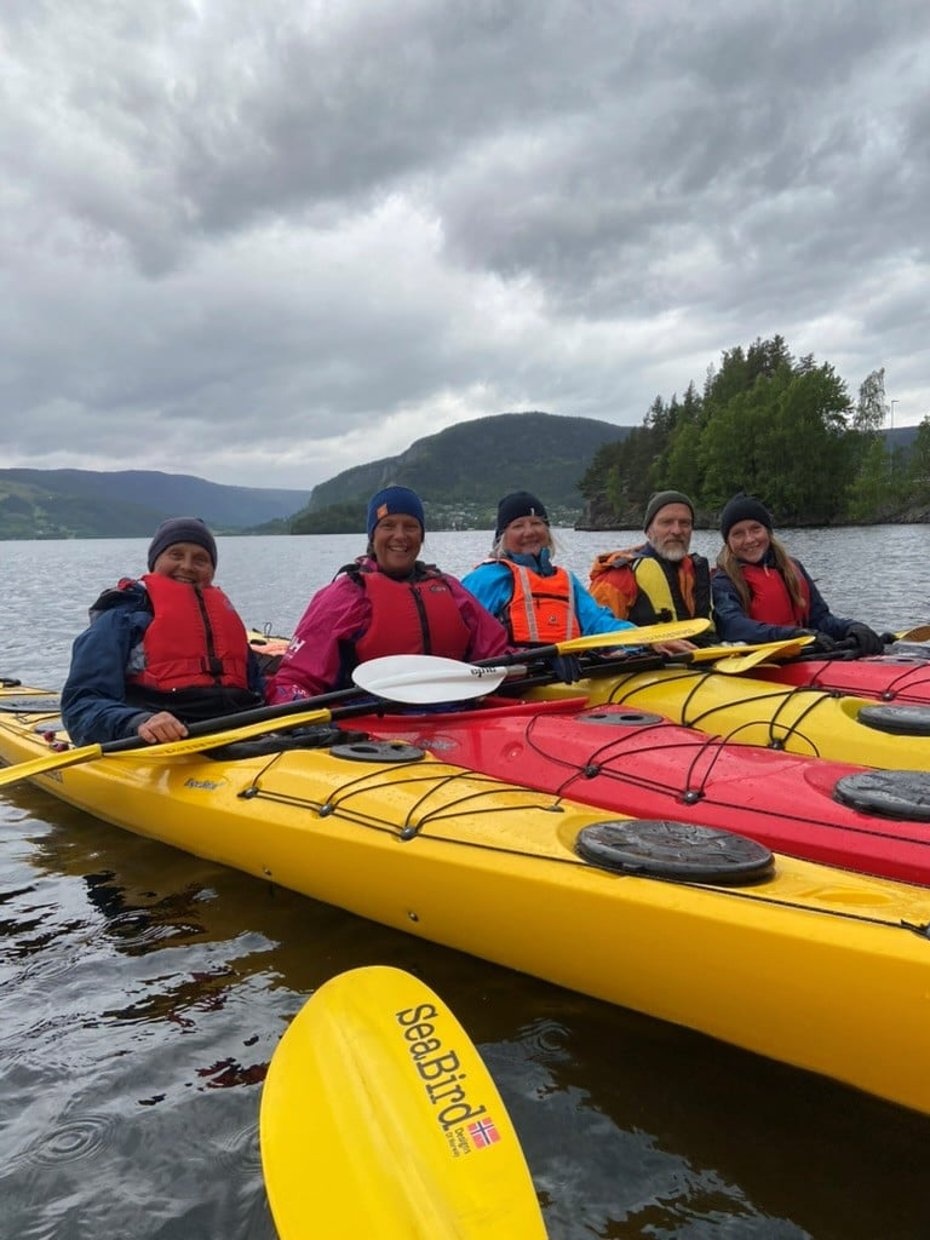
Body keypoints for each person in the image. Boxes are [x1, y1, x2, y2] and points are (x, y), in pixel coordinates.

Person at [268, 486, 513, 701]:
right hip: (371, 724)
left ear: (421, 536)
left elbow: (498, 654)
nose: (400, 536)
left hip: (454, 713)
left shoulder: (449, 590)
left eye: (410, 527)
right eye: (388, 526)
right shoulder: (346, 595)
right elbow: (297, 680)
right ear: (372, 537)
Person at [61, 517, 265, 746]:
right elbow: (80, 705)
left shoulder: (224, 621)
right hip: (164, 741)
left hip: (241, 732)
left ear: (212, 570)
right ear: (155, 562)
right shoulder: (120, 619)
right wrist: (138, 722)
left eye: (200, 559)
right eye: (176, 555)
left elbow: (259, 690)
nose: (187, 566)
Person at [460, 490, 693, 654]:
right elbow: (463, 636)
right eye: (518, 526)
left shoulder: (566, 581)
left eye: (537, 523)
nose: (530, 532)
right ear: (503, 536)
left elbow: (599, 623)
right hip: (514, 684)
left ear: (547, 531)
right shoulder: (486, 579)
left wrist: (648, 639)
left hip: (565, 681)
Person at [711, 495, 885, 654]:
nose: (749, 539)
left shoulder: (793, 567)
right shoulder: (723, 581)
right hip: (760, 660)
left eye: (756, 529)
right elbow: (732, 626)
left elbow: (820, 619)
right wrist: (792, 635)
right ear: (728, 541)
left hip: (802, 652)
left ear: (768, 532)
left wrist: (851, 627)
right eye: (738, 534)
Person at [588, 490, 716, 638]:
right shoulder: (619, 576)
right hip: (645, 657)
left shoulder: (696, 571)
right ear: (649, 531)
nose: (677, 530)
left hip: (699, 655)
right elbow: (594, 631)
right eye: (666, 523)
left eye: (685, 523)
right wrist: (648, 642)